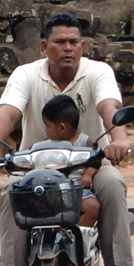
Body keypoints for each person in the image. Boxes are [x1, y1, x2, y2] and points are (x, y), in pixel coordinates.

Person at [0, 12, 134, 266]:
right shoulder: (26, 75)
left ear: (83, 45)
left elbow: (108, 108)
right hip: (34, 167)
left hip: (90, 164)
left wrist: (119, 140)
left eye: (74, 42)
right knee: (11, 191)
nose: (68, 48)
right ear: (44, 46)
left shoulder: (97, 72)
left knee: (113, 185)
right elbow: (7, 114)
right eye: (60, 42)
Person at [37, 95, 104, 229]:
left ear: (62, 128)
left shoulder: (84, 142)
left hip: (77, 189)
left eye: (48, 126)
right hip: (52, 190)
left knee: (92, 207)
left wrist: (88, 175)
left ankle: (77, 237)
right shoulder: (47, 145)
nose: (46, 131)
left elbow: (95, 160)